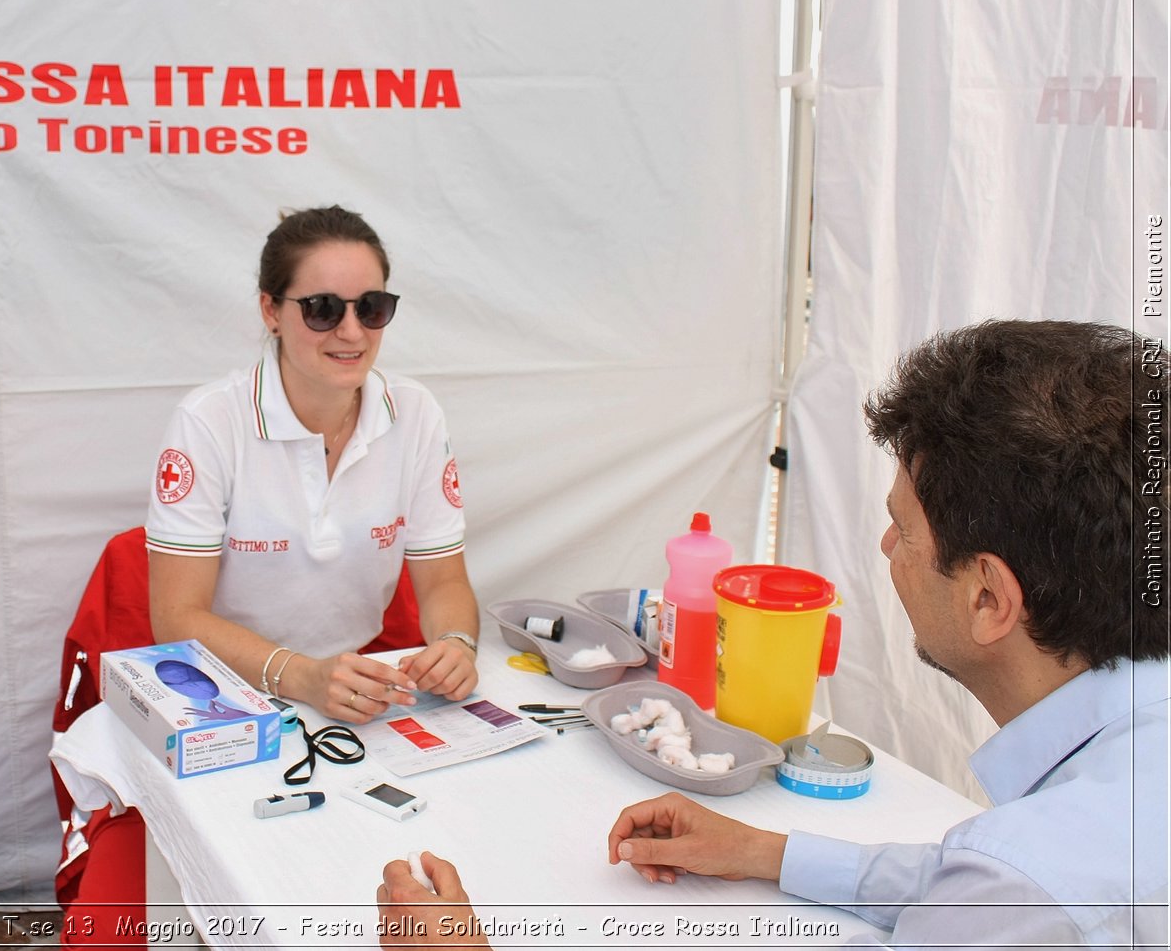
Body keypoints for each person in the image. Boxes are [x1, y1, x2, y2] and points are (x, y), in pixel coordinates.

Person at [377, 319, 1169, 948]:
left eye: (902, 529)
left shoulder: (1027, 881)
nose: (887, 549)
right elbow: (961, 877)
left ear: (990, 597)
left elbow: (993, 887)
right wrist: (766, 852)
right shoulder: (1095, 798)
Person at [146, 206, 480, 724]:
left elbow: (441, 580)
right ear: (270, 311)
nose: (351, 332)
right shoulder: (209, 421)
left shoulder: (416, 412)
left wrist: (457, 644)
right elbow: (175, 618)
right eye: (323, 309)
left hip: (360, 689)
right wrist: (303, 676)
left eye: (371, 307)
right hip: (227, 688)